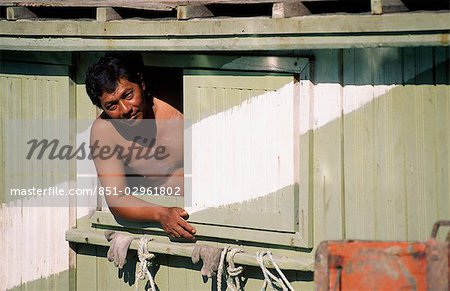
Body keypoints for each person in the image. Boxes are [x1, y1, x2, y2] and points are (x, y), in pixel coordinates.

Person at [85, 54, 196, 240]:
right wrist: (160, 214)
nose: (125, 109)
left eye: (128, 95)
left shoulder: (178, 102)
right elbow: (117, 198)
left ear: (142, 84)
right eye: (112, 105)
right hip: (166, 225)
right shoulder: (105, 131)